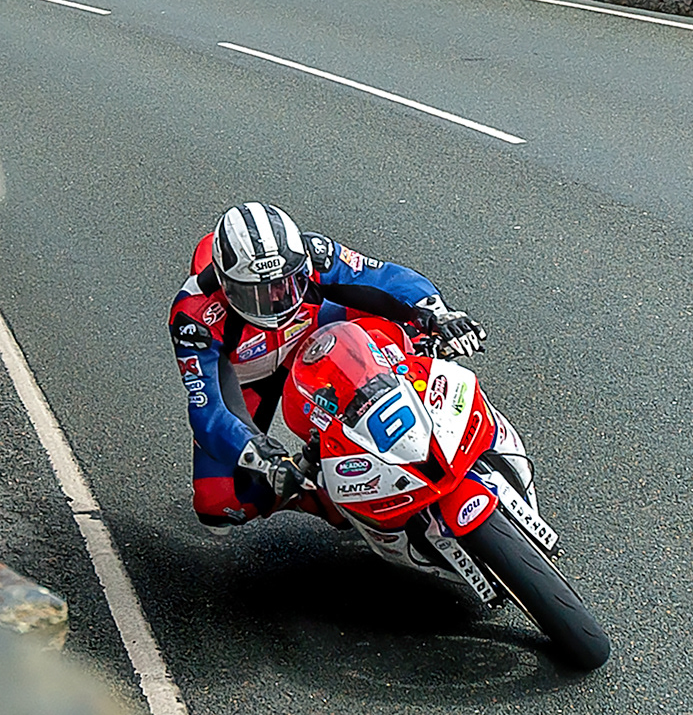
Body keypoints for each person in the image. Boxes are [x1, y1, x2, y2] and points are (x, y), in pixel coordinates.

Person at [170, 201, 486, 534]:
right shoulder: (193, 315)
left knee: (406, 322)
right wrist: (261, 456)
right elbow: (208, 409)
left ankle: (427, 397)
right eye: (256, 293)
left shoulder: (312, 253)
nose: (276, 299)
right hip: (250, 376)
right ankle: (329, 495)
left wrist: (436, 312)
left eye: (284, 283)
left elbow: (381, 276)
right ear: (225, 283)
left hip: (316, 328)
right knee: (219, 504)